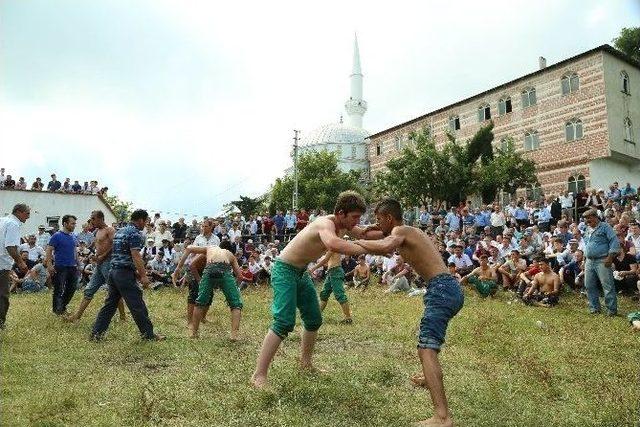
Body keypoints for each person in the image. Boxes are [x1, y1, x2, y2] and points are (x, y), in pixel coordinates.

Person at [353, 198, 464, 427]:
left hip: (442, 289)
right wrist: (363, 231)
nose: (376, 223)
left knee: (426, 348)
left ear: (389, 218)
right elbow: (368, 233)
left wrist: (349, 245)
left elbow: (384, 246)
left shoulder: (400, 230)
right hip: (445, 288)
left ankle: (442, 418)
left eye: (378, 218)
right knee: (429, 341)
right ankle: (428, 376)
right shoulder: (405, 230)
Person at [250, 191, 376, 389]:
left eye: (359, 217)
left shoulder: (344, 225)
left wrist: (392, 234)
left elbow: (365, 233)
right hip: (284, 271)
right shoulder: (324, 224)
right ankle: (259, 375)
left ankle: (305, 364)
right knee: (283, 321)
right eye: (354, 217)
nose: (357, 222)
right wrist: (369, 248)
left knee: (314, 319)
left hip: (301, 273)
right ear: (341, 213)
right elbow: (333, 244)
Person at [90, 209, 164, 341]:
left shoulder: (120, 231)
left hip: (113, 271)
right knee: (137, 304)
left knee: (110, 305)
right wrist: (143, 276)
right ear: (141, 220)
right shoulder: (135, 234)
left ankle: (96, 334)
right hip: (123, 273)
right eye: (146, 221)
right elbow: (135, 255)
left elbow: (120, 254)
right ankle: (148, 335)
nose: (146, 224)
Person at [67, 211, 125, 322]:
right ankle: (77, 316)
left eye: (93, 219)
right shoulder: (97, 231)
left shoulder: (110, 230)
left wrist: (103, 255)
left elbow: (116, 245)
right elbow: (97, 246)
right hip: (99, 264)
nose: (91, 221)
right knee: (89, 290)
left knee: (114, 291)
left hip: (108, 263)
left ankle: (123, 317)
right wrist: (93, 255)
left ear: (100, 219)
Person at [180, 240, 243, 340]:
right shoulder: (230, 254)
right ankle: (234, 335)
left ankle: (194, 333)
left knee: (199, 303)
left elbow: (189, 250)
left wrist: (178, 269)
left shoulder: (209, 248)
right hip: (225, 270)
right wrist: (235, 288)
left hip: (210, 268)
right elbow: (240, 276)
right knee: (236, 305)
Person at [582, 209, 620, 316]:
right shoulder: (587, 229)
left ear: (595, 217)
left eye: (589, 218)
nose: (587, 221)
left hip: (602, 260)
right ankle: (594, 308)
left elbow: (614, 242)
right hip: (589, 261)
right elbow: (587, 246)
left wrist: (610, 257)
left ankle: (612, 310)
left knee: (607, 286)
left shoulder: (605, 227)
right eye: (586, 219)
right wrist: (584, 260)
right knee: (589, 285)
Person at [0, 204, 30, 329]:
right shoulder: (14, 224)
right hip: (2, 263)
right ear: (19, 212)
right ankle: (0, 323)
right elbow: (10, 246)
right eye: (27, 213)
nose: (28, 217)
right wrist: (21, 262)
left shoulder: (2, 220)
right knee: (3, 295)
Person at [45, 215, 79, 316]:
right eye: (72, 223)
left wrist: (78, 263)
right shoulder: (56, 236)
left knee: (72, 288)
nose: (74, 225)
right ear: (65, 223)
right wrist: (49, 265)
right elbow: (49, 250)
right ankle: (57, 310)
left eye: (74, 223)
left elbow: (74, 250)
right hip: (60, 267)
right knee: (59, 289)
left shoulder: (73, 236)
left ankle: (62, 307)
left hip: (72, 266)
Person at [309, 251, 353, 324]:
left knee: (339, 294)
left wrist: (313, 268)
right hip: (331, 272)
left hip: (336, 271)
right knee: (324, 294)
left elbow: (325, 260)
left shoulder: (332, 246)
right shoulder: (330, 246)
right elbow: (328, 262)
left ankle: (348, 318)